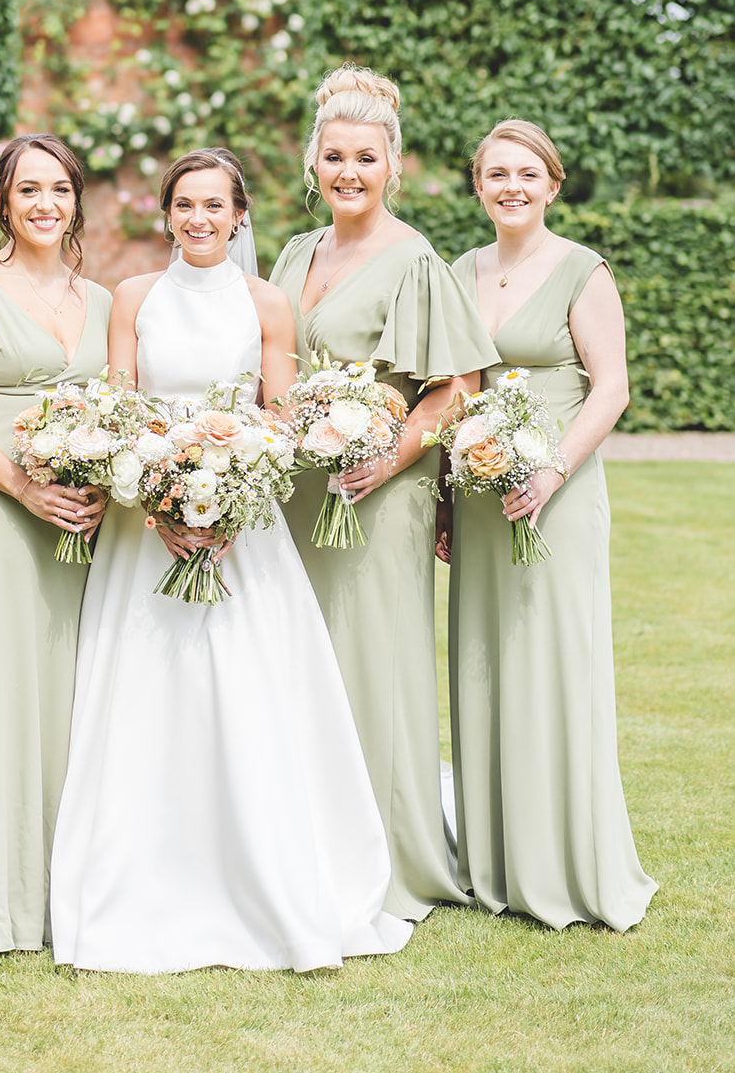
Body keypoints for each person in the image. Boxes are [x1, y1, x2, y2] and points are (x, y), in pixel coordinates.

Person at [50, 148, 413, 973]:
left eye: (215, 206)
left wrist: (230, 491)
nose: (199, 219)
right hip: (148, 529)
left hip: (246, 529)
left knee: (249, 693)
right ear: (166, 214)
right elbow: (119, 406)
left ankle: (260, 876)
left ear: (238, 215)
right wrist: (162, 498)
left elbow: (279, 418)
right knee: (147, 693)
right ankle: (140, 879)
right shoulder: (134, 298)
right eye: (185, 205)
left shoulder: (267, 303)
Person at [270, 68, 500, 922]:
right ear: (312, 162)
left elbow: (455, 387)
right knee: (296, 662)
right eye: (334, 156)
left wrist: (385, 456)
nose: (348, 173)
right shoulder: (296, 253)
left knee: (371, 663)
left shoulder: (416, 262)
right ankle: (305, 845)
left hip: (377, 493)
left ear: (391, 164)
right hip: (294, 494)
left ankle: (388, 855)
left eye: (365, 158)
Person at [448, 119, 657, 930]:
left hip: (556, 492)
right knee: (483, 667)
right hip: (478, 494)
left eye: (526, 174)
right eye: (495, 173)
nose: (511, 187)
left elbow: (610, 388)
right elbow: (456, 388)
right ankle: (496, 863)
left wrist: (550, 470)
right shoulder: (460, 271)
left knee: (554, 666)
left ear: (552, 184)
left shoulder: (582, 270)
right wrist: (442, 492)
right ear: (476, 185)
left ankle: (567, 865)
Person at [0, 134, 111, 956]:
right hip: (0, 512)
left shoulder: (103, 301)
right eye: (27, 189)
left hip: (82, 520)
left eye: (60, 189)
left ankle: (70, 894)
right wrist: (24, 487)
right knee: (2, 700)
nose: (45, 204)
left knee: (74, 700)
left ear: (77, 201)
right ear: (3, 202)